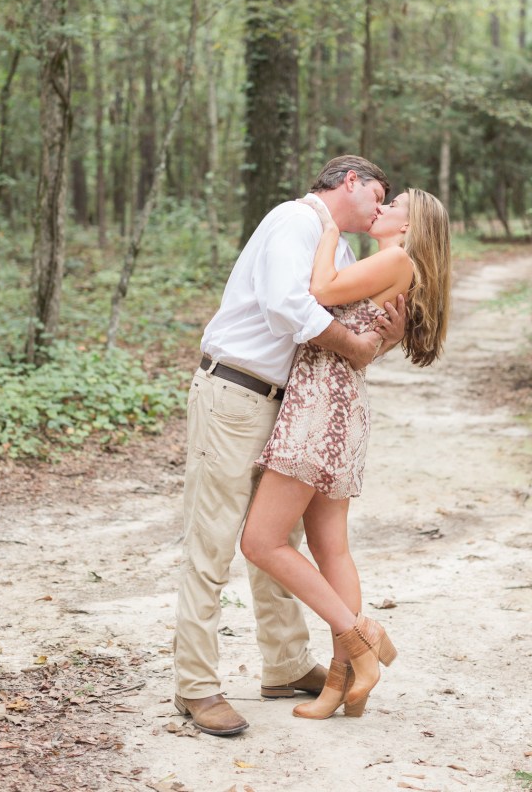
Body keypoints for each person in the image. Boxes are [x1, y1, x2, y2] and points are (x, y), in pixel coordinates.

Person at [173, 156, 407, 736]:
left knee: (278, 538)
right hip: (236, 391)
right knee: (215, 537)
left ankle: (283, 664)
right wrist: (355, 346)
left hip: (288, 402)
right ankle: (196, 685)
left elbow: (354, 329)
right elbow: (288, 305)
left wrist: (375, 341)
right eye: (377, 194)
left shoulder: (344, 249)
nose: (380, 207)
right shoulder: (292, 221)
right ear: (349, 181)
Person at [241, 188, 452, 720]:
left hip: (320, 405)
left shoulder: (395, 258)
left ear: (412, 223)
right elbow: (363, 336)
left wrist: (327, 223)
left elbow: (320, 289)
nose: (380, 209)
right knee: (330, 548)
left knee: (261, 541)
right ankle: (341, 683)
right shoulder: (389, 264)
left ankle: (361, 638)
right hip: (338, 403)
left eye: (393, 203)